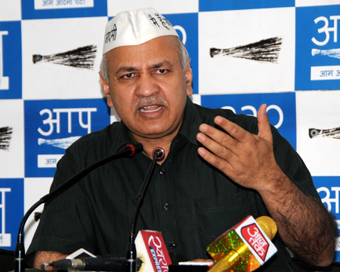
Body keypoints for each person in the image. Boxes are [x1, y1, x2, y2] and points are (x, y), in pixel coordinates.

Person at [27, 8, 336, 271]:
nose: (146, 89)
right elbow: (51, 259)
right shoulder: (86, 160)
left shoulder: (245, 138)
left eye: (161, 70)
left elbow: (320, 253)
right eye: (128, 75)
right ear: (107, 89)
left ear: (187, 78)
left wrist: (268, 179)